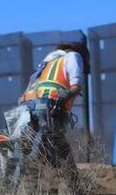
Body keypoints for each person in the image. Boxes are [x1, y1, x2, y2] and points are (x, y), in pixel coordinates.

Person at [20, 42, 85, 193]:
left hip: (29, 108)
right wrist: (64, 97)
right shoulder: (73, 56)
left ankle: (34, 189)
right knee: (62, 152)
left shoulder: (44, 64)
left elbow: (23, 95)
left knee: (37, 151)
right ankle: (76, 190)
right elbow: (76, 86)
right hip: (49, 107)